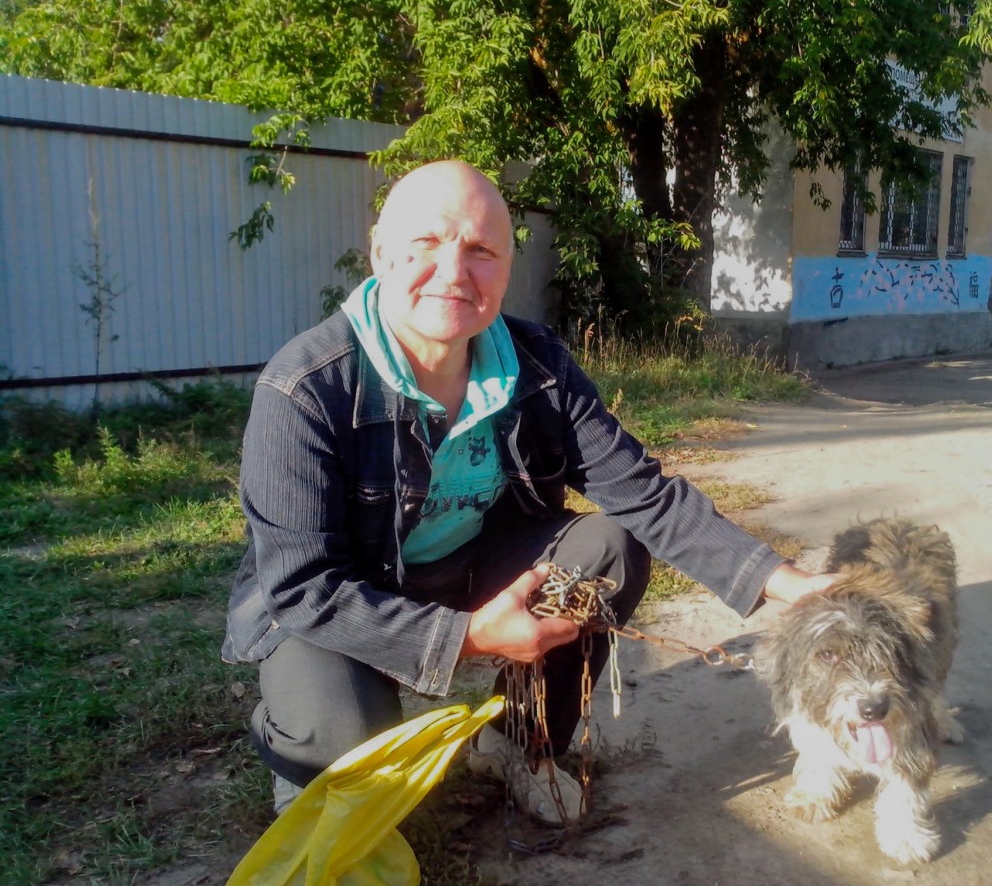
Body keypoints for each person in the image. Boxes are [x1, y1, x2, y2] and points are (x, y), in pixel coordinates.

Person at [221, 159, 838, 825]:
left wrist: (793, 585)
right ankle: (306, 744)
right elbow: (302, 589)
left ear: (508, 268)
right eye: (427, 243)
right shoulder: (305, 387)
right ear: (379, 253)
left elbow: (643, 493)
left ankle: (517, 743)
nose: (455, 272)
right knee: (348, 775)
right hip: (342, 600)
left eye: (482, 250)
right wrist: (468, 639)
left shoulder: (536, 365)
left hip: (465, 568)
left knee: (608, 549)